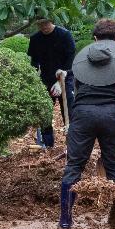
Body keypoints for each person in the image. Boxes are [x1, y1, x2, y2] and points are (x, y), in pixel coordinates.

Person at [59, 19, 115, 229]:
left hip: (82, 113)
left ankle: (65, 222)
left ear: (95, 39)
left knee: (74, 166)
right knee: (113, 166)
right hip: (111, 114)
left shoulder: (82, 57)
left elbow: (75, 87)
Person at [27, 17, 76, 148]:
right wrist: (34, 77)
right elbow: (34, 62)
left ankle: (72, 145)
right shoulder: (35, 39)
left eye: (46, 23)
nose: (44, 26)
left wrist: (61, 82)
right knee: (44, 113)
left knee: (70, 112)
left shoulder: (64, 35)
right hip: (46, 79)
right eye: (40, 24)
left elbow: (71, 58)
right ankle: (47, 145)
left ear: (52, 20)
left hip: (65, 77)